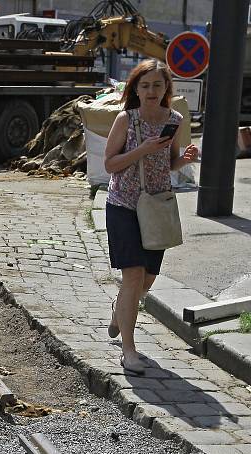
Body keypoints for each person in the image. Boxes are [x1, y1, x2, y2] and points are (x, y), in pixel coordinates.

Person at [103, 59, 199, 375]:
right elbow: (110, 164)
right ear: (135, 89)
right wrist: (142, 149)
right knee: (133, 275)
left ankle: (121, 310)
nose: (151, 91)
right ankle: (129, 352)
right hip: (123, 206)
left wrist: (183, 159)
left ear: (166, 89)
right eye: (145, 85)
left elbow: (167, 163)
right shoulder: (125, 120)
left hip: (156, 207)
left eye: (157, 85)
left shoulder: (173, 119)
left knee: (147, 279)